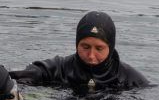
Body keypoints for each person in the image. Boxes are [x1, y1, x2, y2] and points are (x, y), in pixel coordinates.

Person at [9, 11, 150, 92]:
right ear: (77, 44)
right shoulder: (60, 68)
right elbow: (31, 73)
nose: (91, 56)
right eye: (85, 47)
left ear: (111, 47)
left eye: (99, 48)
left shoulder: (130, 79)